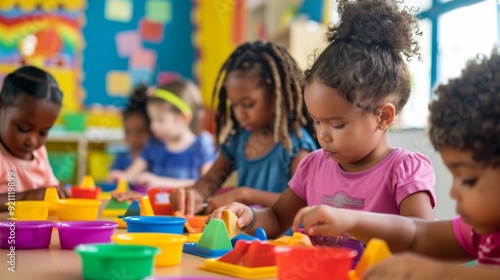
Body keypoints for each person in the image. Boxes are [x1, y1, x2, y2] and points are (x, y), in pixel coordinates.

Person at [210, 0, 436, 247]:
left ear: (382, 117)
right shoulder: (313, 166)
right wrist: (248, 217)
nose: (322, 136)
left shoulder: (403, 171)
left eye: (337, 124)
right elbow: (276, 218)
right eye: (317, 122)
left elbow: (423, 235)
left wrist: (352, 221)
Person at [291, 46, 500, 279]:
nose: (453, 193)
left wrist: (437, 273)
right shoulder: (480, 231)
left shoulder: (403, 167)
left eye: (468, 180)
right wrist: (350, 219)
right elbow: (417, 234)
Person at [170, 41, 318, 216]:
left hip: (283, 241)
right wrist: (192, 196)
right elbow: (208, 183)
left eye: (248, 104)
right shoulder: (239, 140)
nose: (240, 113)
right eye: (234, 104)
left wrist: (245, 195)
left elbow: (305, 201)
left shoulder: (296, 145)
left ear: (278, 96)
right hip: (243, 237)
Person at [109, 79, 217, 189]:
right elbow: (131, 173)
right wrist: (122, 177)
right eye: (152, 120)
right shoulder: (153, 144)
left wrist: (161, 182)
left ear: (183, 118)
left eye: (160, 120)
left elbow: (207, 183)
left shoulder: (202, 144)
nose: (153, 126)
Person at [0, 65, 64, 210]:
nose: (32, 141)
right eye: (24, 129)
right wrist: (26, 197)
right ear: (1, 106)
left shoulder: (39, 153)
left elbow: (50, 188)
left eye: (43, 133)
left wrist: (58, 192)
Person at [109, 84, 150, 171]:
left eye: (139, 132)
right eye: (127, 132)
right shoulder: (122, 158)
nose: (132, 139)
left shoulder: (157, 159)